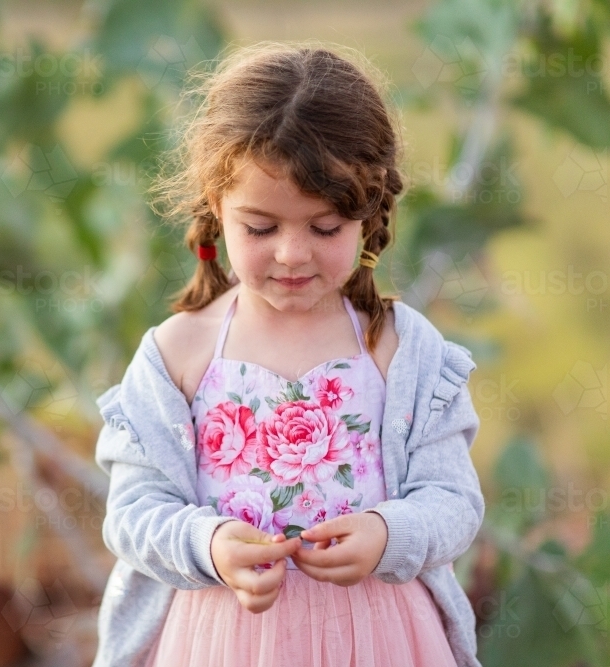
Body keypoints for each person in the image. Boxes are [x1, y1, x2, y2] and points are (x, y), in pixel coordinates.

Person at [91, 42, 485, 667]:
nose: (292, 254)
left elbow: (454, 501)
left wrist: (389, 533)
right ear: (216, 209)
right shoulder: (179, 352)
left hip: (380, 638)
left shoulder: (401, 351)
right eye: (261, 228)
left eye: (324, 228)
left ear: (369, 214)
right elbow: (134, 512)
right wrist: (210, 542)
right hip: (223, 641)